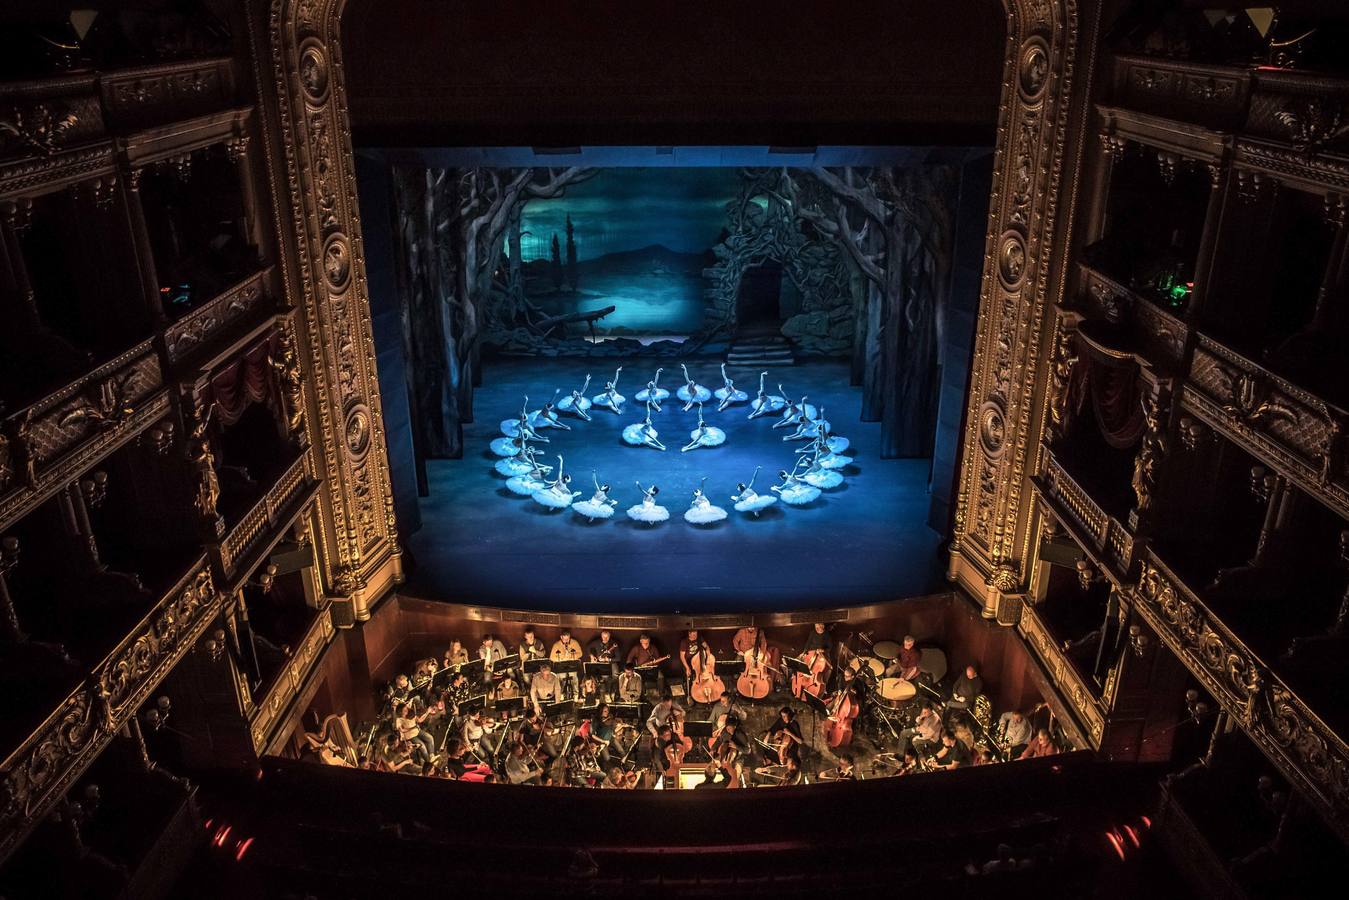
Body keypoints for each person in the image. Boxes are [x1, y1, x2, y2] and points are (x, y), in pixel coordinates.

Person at [550, 629, 583, 697]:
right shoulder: (556, 645)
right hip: (561, 664)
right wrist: (561, 658)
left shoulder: (574, 642)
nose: (566, 641)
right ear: (561, 637)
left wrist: (572, 656)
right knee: (561, 677)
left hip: (572, 664)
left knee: (574, 676)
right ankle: (560, 694)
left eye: (567, 639)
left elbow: (580, 654)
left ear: (569, 637)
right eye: (564, 639)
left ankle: (575, 694)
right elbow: (551, 658)